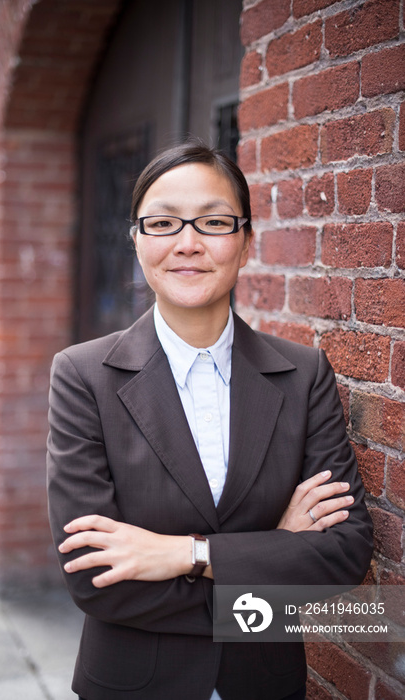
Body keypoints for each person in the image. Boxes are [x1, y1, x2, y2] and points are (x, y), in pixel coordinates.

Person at [47, 141, 373, 700]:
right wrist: (271, 551)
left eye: (215, 222)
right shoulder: (83, 375)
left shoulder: (302, 374)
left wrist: (182, 554)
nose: (188, 244)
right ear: (136, 240)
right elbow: (94, 579)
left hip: (266, 685)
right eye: (163, 223)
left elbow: (343, 556)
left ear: (246, 241)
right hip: (132, 684)